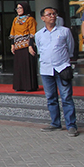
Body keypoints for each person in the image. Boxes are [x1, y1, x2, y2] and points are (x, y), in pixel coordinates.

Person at [31, 7, 78, 136]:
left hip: (62, 68)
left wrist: (66, 62)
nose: (52, 16)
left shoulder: (64, 31)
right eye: (49, 14)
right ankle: (56, 123)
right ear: (43, 18)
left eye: (54, 14)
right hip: (46, 69)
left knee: (66, 97)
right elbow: (40, 50)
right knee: (51, 98)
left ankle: (71, 125)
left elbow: (70, 47)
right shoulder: (39, 34)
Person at [10, 1, 38, 92]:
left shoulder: (30, 19)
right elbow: (12, 32)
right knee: (19, 66)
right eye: (17, 8)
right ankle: (19, 85)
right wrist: (12, 45)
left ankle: (29, 86)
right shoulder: (16, 19)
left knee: (28, 65)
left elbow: (32, 33)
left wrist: (30, 45)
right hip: (18, 46)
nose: (18, 10)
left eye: (20, 8)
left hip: (27, 45)